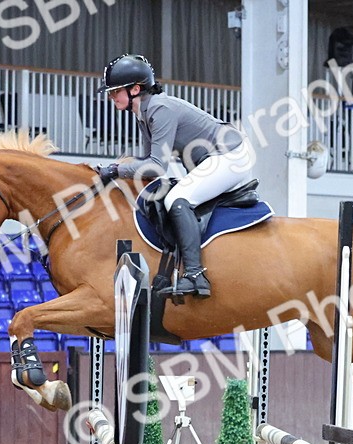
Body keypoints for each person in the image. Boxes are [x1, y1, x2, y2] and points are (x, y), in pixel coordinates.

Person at [94, 54, 253, 299]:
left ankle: (195, 274)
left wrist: (116, 169)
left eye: (115, 91)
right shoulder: (143, 113)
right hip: (212, 159)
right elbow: (148, 162)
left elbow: (157, 167)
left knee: (176, 199)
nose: (111, 96)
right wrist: (117, 172)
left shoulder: (159, 109)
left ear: (135, 89)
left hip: (231, 155)